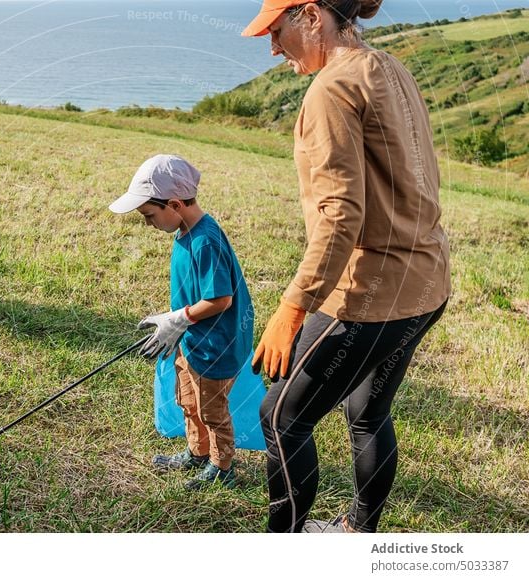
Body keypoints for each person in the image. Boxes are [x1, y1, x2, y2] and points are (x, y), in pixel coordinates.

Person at [242, 0, 451, 532]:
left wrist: (293, 307)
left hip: (371, 294)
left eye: (275, 29)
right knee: (368, 413)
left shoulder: (330, 89)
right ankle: (358, 535)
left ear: (311, 15)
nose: (271, 46)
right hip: (427, 281)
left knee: (280, 416)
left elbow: (340, 216)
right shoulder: (390, 67)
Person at [110, 154, 254, 490]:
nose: (147, 223)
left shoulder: (205, 241)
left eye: (149, 215)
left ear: (174, 204)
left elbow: (221, 299)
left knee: (212, 411)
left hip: (215, 347)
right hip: (192, 339)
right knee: (188, 400)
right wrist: (179, 324)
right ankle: (197, 452)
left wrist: (179, 318)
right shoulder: (186, 231)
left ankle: (222, 468)